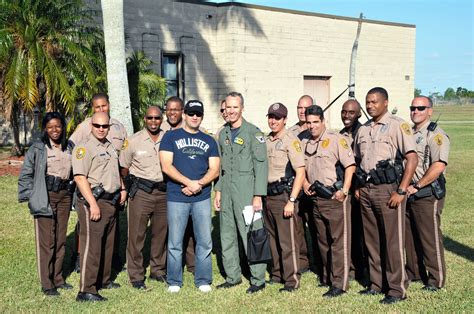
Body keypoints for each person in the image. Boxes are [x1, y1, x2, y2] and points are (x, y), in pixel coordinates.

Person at [353, 87, 417, 304]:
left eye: (374, 102)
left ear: (386, 102)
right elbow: (357, 161)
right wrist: (357, 187)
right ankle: (376, 283)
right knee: (371, 240)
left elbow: (412, 159)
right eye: (367, 102)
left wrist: (401, 190)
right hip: (367, 190)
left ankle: (397, 289)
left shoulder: (397, 125)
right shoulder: (363, 130)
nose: (370, 106)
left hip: (389, 190)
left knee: (392, 241)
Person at [159, 100, 220, 293]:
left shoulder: (210, 140)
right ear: (184, 114)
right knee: (175, 241)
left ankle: (202, 279)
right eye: (191, 113)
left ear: (202, 116)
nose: (195, 117)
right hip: (177, 196)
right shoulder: (170, 137)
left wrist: (199, 184)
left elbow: (215, 169)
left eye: (198, 114)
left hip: (201, 197)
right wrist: (188, 182)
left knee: (204, 241)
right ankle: (174, 281)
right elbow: (166, 166)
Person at [214, 91, 268, 294]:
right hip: (227, 191)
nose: (231, 111)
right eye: (228, 107)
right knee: (227, 234)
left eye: (235, 107)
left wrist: (258, 196)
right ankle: (233, 276)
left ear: (242, 108)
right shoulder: (223, 134)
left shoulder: (254, 133)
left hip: (247, 192)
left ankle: (258, 278)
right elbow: (221, 167)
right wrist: (218, 191)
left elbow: (261, 167)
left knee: (252, 234)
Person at [69, 93, 128, 273]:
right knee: (87, 227)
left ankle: (111, 262)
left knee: (112, 225)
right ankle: (80, 258)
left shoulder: (118, 127)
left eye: (104, 106)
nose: (101, 109)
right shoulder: (85, 127)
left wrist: (123, 185)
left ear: (109, 105)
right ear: (92, 109)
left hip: (113, 182)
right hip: (92, 185)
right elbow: (72, 148)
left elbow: (123, 154)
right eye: (97, 107)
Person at [301, 105, 355, 297]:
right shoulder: (304, 141)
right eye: (308, 122)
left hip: (335, 198)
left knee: (338, 242)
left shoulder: (336, 139)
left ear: (323, 121)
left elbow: (350, 166)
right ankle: (327, 277)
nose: (312, 126)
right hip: (316, 199)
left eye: (315, 122)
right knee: (322, 241)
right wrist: (305, 183)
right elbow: (302, 168)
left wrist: (345, 190)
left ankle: (340, 284)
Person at [18, 112, 74, 296]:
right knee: (46, 242)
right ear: (45, 129)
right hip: (45, 195)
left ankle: (58, 278)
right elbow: (26, 173)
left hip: (65, 195)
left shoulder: (70, 146)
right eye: (50, 127)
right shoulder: (38, 148)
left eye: (58, 126)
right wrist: (29, 196)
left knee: (60, 240)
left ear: (63, 127)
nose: (54, 130)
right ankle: (47, 283)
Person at [119, 106, 167, 290]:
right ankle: (136, 275)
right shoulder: (132, 141)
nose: (153, 121)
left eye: (157, 118)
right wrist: (127, 188)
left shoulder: (169, 138)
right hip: (141, 193)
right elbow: (123, 167)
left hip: (163, 192)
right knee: (136, 235)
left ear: (161, 119)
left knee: (160, 234)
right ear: (144, 119)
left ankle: (158, 270)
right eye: (150, 118)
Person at [405, 96, 449, 291]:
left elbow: (439, 165)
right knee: (410, 235)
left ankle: (436, 279)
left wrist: (418, 185)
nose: (416, 111)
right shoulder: (410, 133)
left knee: (429, 237)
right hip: (409, 190)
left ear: (430, 111)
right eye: (413, 108)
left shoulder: (436, 134)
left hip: (427, 191)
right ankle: (414, 273)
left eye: (420, 108)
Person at [264, 103, 305, 292]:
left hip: (283, 196)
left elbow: (300, 172)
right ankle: (277, 273)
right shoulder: (266, 140)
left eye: (277, 118)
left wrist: (292, 200)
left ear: (285, 120)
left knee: (287, 241)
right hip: (268, 196)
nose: (273, 121)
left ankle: (291, 279)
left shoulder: (291, 140)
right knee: (272, 238)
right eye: (271, 117)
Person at [161, 96, 196, 274]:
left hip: (190, 188)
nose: (173, 112)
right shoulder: (160, 131)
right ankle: (166, 264)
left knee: (190, 227)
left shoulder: (193, 129)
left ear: (183, 111)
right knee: (168, 228)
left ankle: (192, 264)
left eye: (176, 109)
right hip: (166, 187)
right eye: (169, 109)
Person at [339, 99, 367, 284]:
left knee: (362, 232)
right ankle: (349, 268)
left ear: (358, 114)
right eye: (344, 112)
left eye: (351, 112)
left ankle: (363, 269)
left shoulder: (363, 132)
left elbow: (362, 163)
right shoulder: (341, 134)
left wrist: (357, 187)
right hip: (346, 189)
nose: (346, 116)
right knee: (348, 230)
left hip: (360, 188)